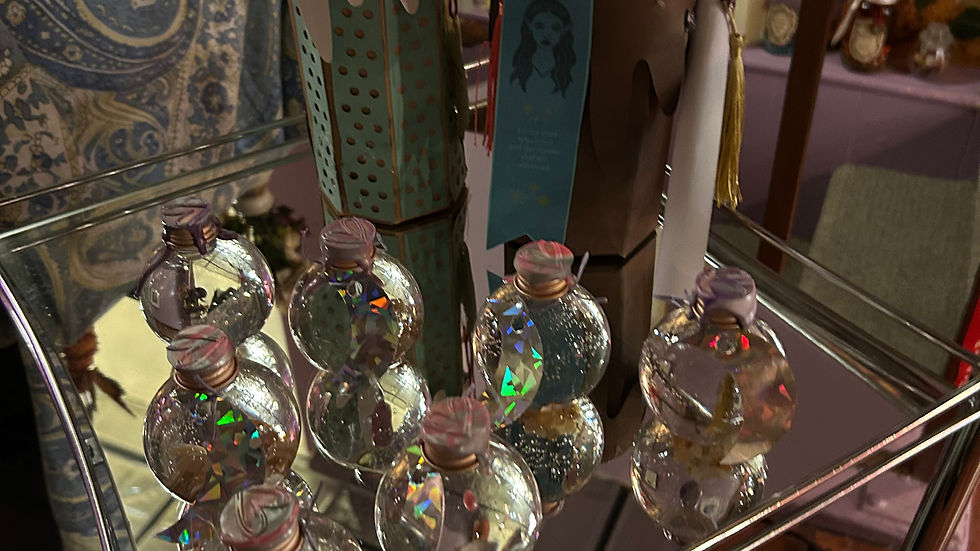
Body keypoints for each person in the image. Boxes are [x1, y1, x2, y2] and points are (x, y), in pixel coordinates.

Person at [510, 0, 575, 97]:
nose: (546, 35)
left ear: (564, 30)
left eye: (555, 28)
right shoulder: (520, 63)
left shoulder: (567, 67)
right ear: (530, 27)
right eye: (539, 27)